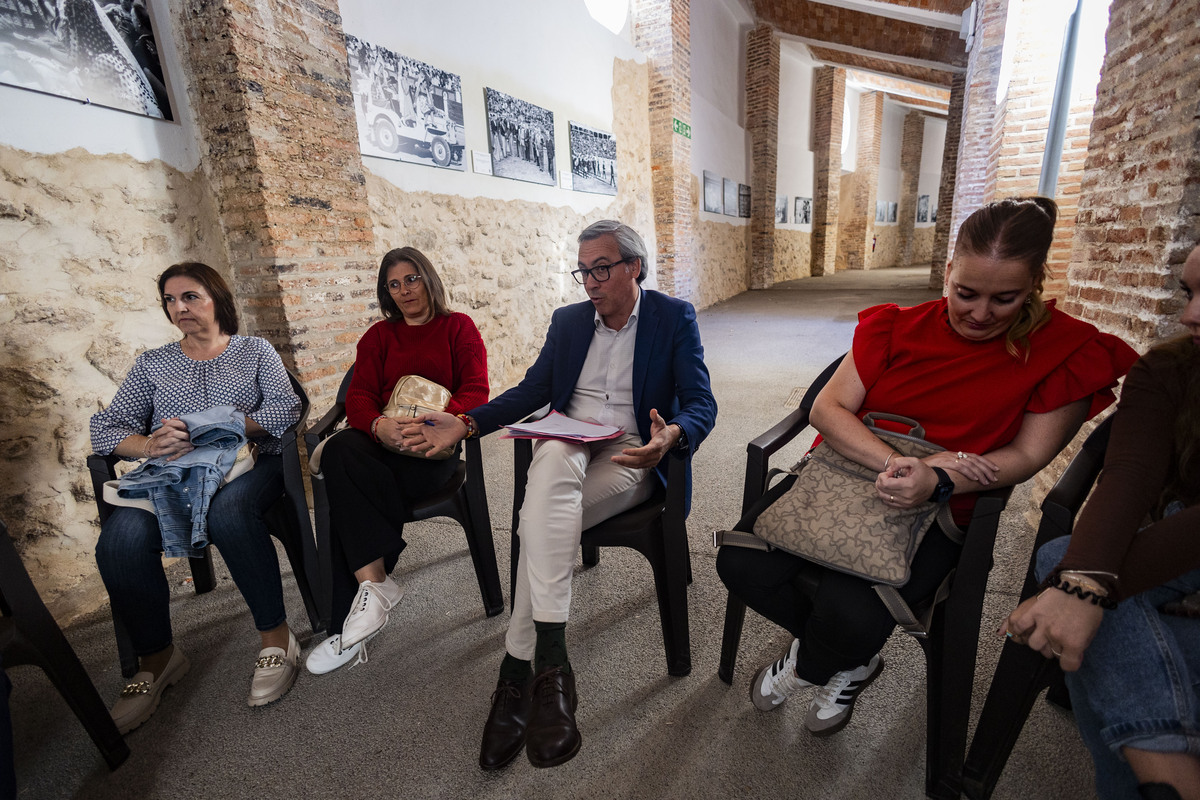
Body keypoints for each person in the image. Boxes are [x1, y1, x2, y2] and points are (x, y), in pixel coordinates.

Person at [717, 197, 1138, 737]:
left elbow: (1027, 456)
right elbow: (826, 407)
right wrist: (896, 461)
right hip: (848, 472)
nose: (980, 314)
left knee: (853, 612)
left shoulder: (1066, 351)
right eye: (965, 293)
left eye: (1004, 299)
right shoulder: (897, 327)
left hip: (943, 504)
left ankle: (812, 664)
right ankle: (853, 661)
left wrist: (939, 477)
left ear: (1035, 283)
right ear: (948, 273)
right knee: (740, 564)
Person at [405, 220, 717, 770]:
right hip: (569, 440)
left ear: (633, 268)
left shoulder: (672, 317)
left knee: (537, 525)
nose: (590, 283)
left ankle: (516, 674)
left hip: (628, 450)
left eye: (601, 269)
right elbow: (533, 390)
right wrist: (467, 424)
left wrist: (670, 435)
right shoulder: (570, 322)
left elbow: (700, 402)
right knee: (549, 460)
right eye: (584, 271)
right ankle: (552, 668)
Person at [1003, 244, 1200, 800]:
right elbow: (1130, 476)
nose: (1189, 316)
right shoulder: (1171, 367)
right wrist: (1082, 583)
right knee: (1075, 584)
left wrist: (1076, 589)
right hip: (1181, 545)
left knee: (1076, 604)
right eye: (1189, 293)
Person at [90, 262, 302, 732]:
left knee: (229, 513)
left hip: (250, 464)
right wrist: (147, 446)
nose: (179, 307)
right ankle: (158, 656)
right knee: (119, 540)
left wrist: (221, 424)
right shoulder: (153, 364)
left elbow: (285, 409)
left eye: (190, 296)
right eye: (170, 299)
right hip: (174, 476)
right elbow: (105, 428)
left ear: (216, 299)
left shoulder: (254, 351)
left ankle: (276, 637)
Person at [304, 247, 488, 675]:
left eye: (411, 279)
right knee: (340, 449)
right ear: (385, 292)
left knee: (349, 499)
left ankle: (344, 624)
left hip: (432, 449)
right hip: (385, 444)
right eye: (394, 284)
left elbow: (477, 390)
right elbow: (360, 397)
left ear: (428, 278)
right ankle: (375, 585)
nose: (404, 290)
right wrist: (378, 427)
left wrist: (439, 424)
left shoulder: (457, 327)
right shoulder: (379, 337)